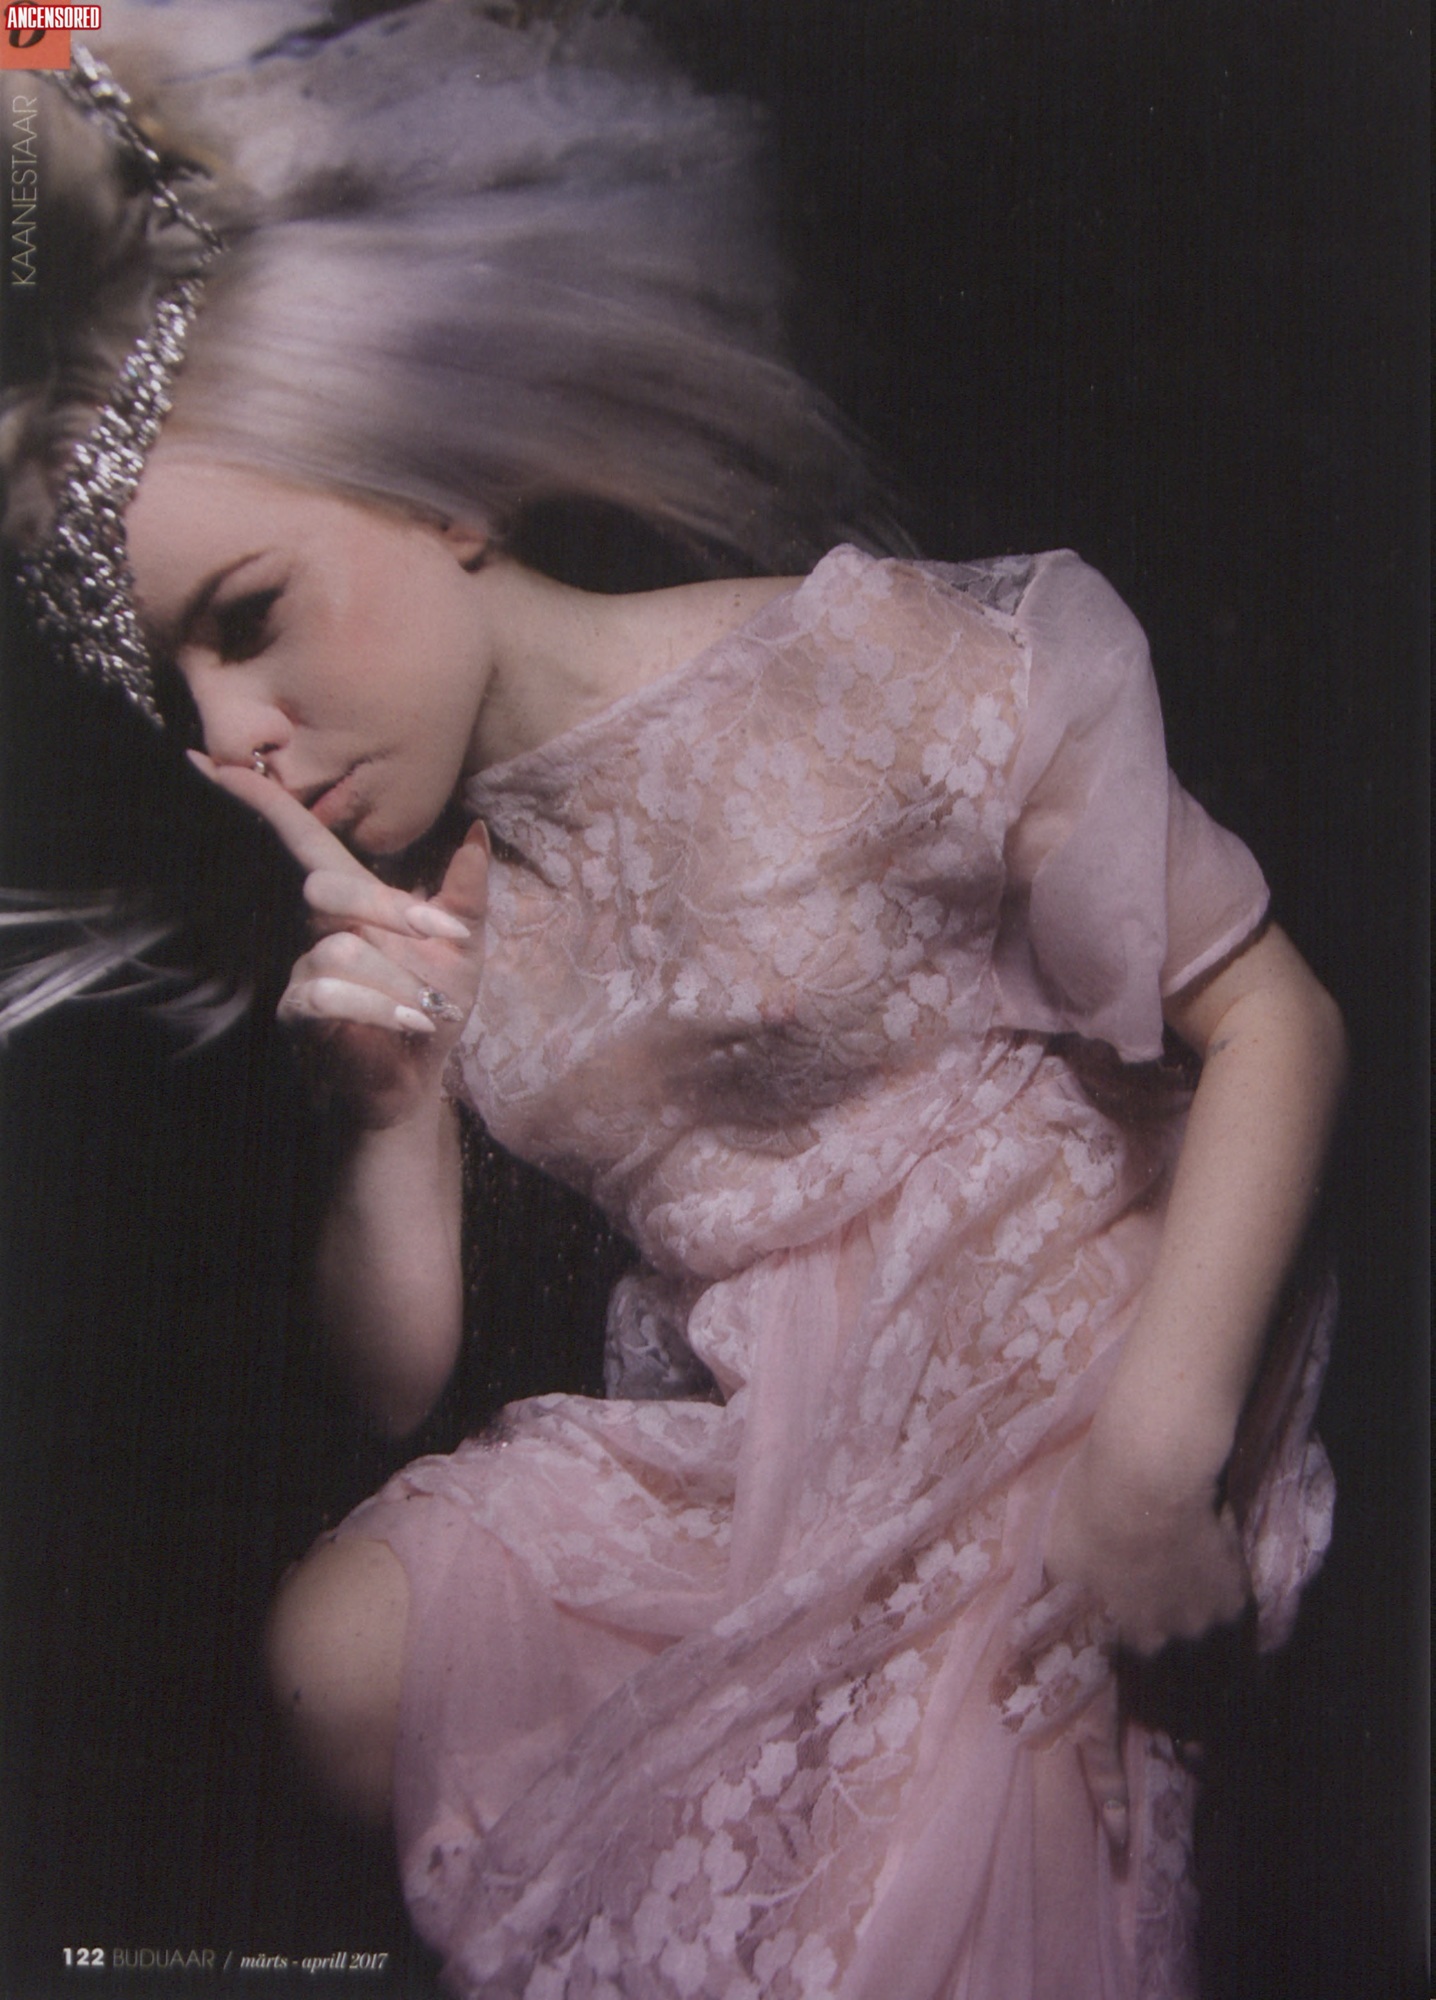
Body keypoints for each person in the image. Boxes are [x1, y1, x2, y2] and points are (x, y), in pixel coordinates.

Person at [3, 5, 1345, 1996]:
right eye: (175, 690)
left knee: (891, 1909)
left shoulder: (842, 669)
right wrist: (387, 1112)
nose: (234, 736)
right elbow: (391, 1385)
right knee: (336, 1646)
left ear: (438, 487)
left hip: (1052, 1356)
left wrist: (1160, 1441)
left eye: (253, 618)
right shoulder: (447, 906)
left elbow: (1277, 1022)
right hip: (766, 1436)